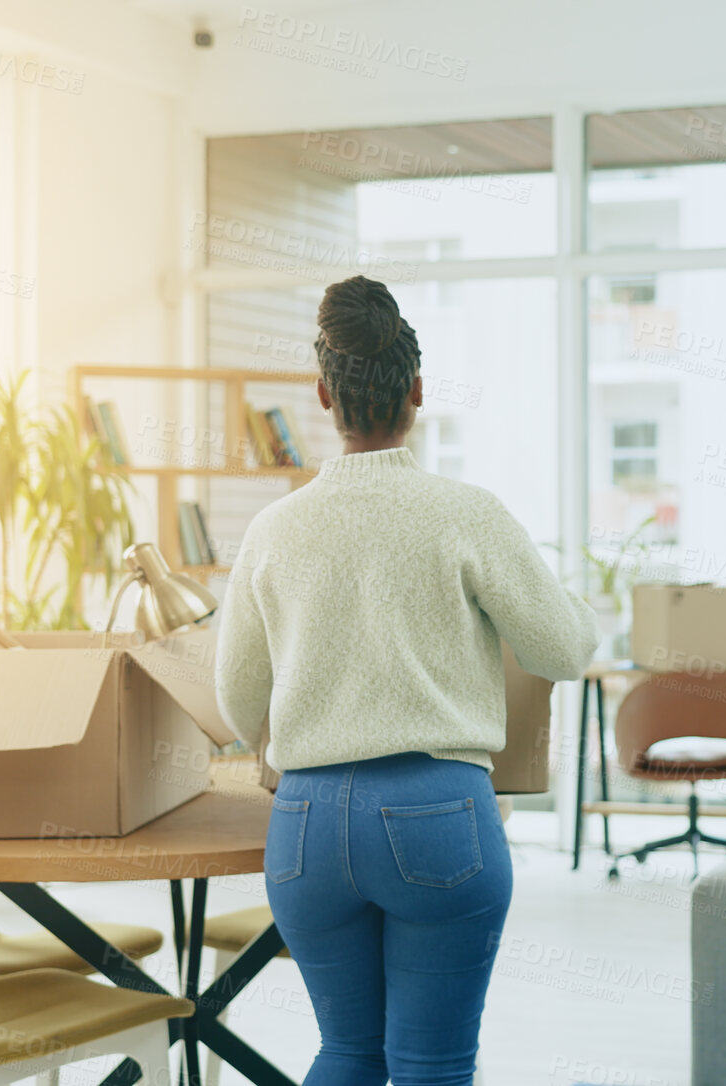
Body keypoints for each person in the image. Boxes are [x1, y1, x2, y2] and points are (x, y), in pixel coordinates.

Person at [215, 275, 598, 1086]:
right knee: (430, 1062)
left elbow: (235, 699)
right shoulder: (466, 513)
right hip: (438, 819)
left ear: (323, 396)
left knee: (346, 1053)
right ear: (417, 392)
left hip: (307, 825)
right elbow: (562, 651)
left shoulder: (274, 529)